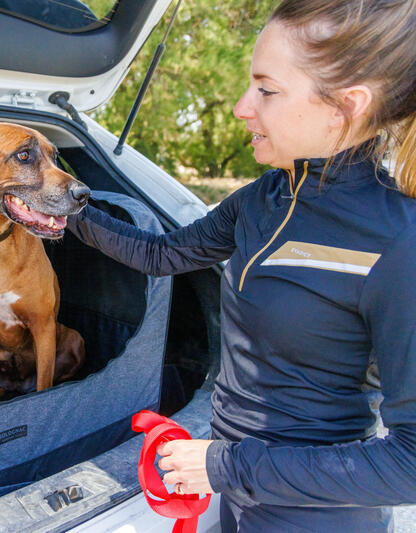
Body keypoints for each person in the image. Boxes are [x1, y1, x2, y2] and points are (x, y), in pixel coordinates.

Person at [67, 0, 416, 531]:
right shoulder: (263, 198)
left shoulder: (399, 241)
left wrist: (223, 465)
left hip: (314, 518)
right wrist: (59, 209)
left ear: (347, 105)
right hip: (236, 494)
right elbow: (162, 254)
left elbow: (408, 466)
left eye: (266, 90)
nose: (240, 107)